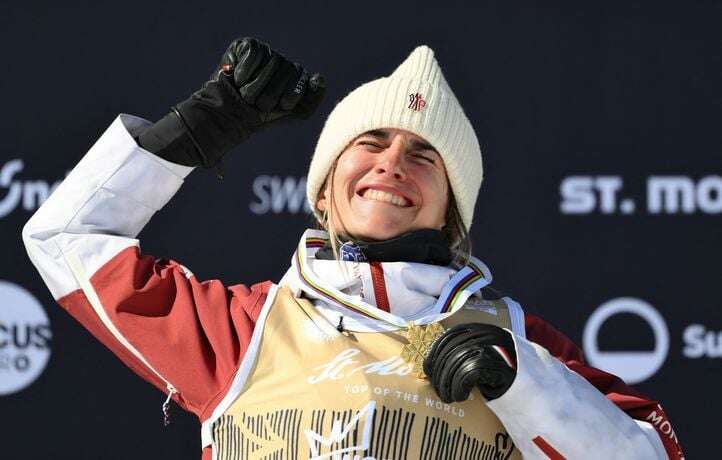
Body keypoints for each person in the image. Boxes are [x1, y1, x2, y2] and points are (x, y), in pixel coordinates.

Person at [23, 37, 684, 459]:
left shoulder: (516, 341)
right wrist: (197, 134)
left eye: (424, 156)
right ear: (324, 191)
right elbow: (64, 240)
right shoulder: (245, 331)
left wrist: (526, 387)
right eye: (369, 144)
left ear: (453, 212)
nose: (392, 163)